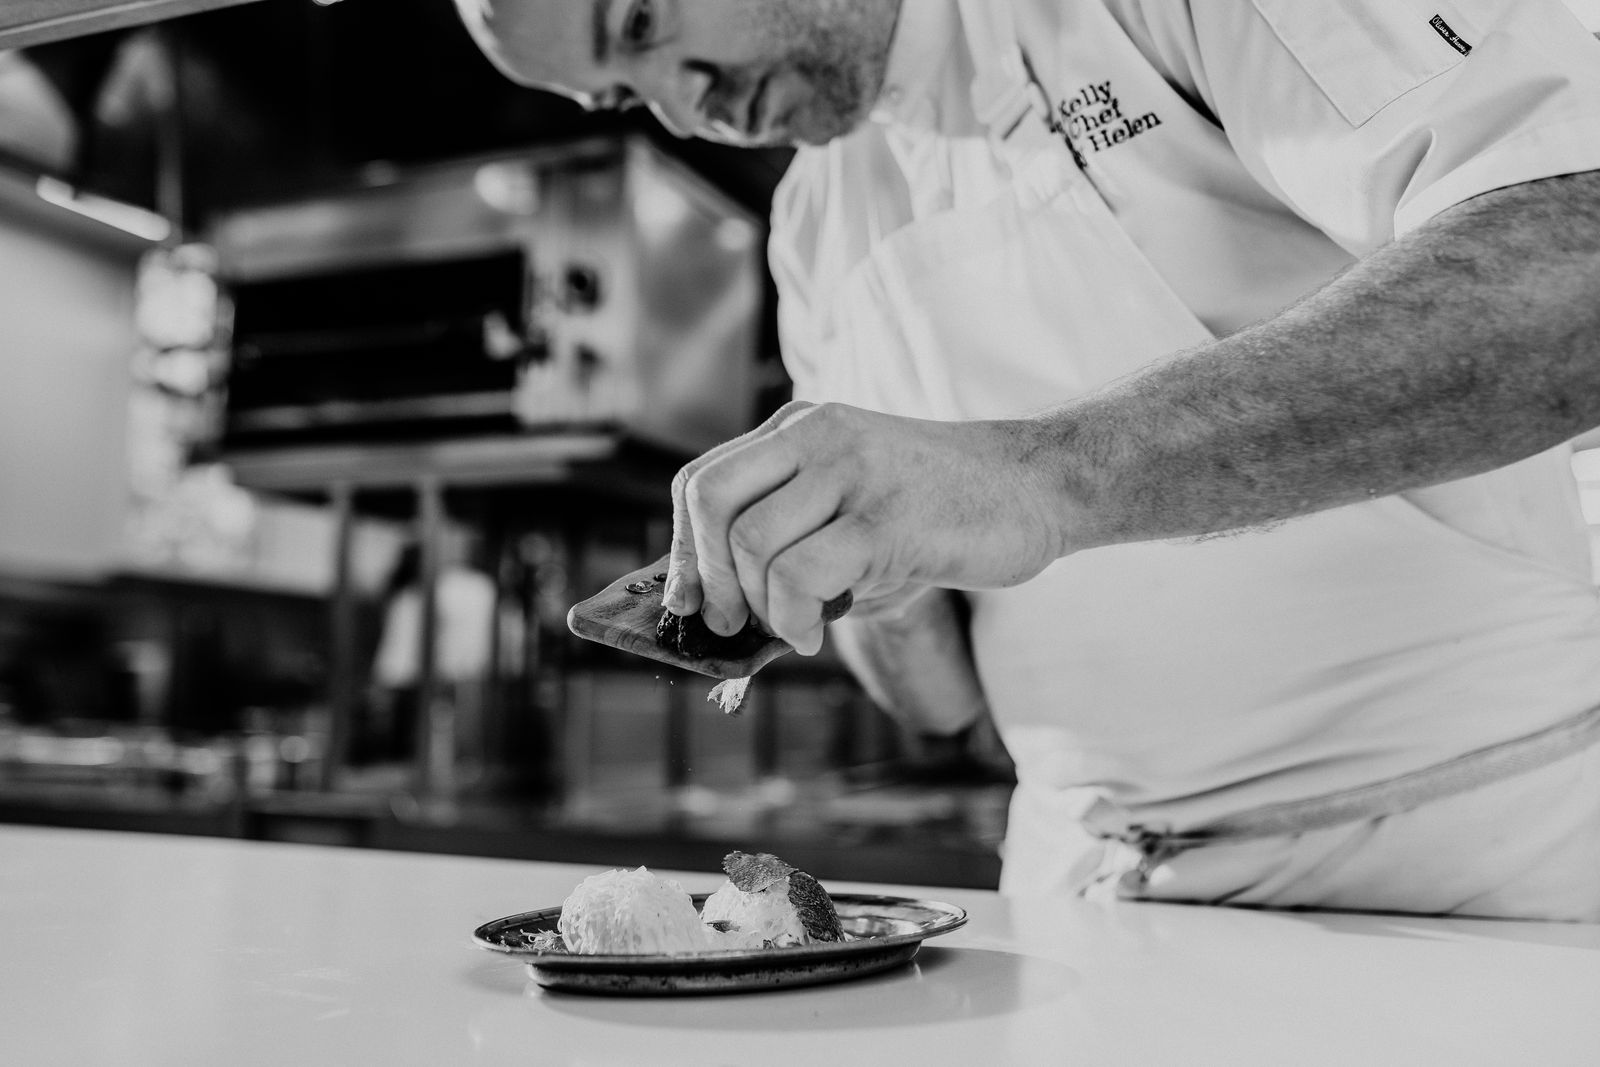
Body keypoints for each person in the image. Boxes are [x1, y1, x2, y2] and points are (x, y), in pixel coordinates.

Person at [456, 0, 1600, 919]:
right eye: (621, 94)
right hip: (1090, 893)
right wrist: (860, 576)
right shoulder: (810, 228)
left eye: (644, 29)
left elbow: (1574, 269)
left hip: (1477, 857)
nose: (681, 108)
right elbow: (944, 703)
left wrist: (1035, 477)